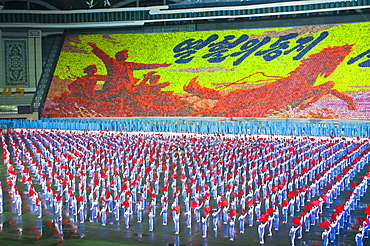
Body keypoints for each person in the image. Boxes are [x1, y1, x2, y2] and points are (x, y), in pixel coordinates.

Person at [87, 42, 171, 95]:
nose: (127, 55)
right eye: (124, 54)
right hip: (114, 86)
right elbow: (103, 55)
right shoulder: (112, 62)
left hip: (128, 87)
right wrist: (95, 47)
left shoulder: (130, 65)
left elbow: (144, 65)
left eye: (126, 54)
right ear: (119, 55)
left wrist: (160, 65)